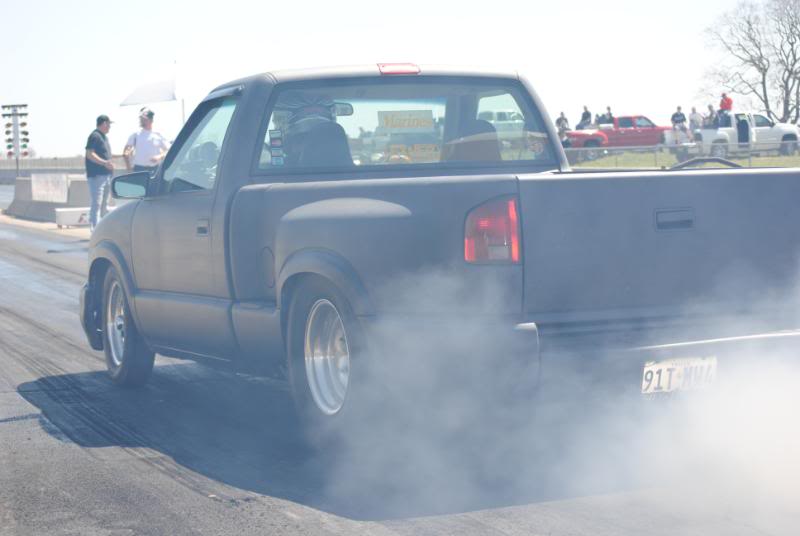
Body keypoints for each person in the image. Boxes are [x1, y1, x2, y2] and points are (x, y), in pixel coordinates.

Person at [85, 115, 114, 231]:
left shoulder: (104, 138)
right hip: (97, 176)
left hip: (106, 175)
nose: (110, 127)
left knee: (104, 204)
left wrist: (122, 156)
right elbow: (89, 154)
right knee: (96, 203)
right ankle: (95, 229)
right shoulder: (95, 136)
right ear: (104, 124)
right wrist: (104, 163)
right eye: (109, 124)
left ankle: (103, 229)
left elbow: (106, 155)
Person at [123, 107, 170, 173]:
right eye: (141, 119)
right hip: (139, 169)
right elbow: (126, 152)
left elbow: (168, 150)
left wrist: (159, 157)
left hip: (154, 169)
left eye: (144, 119)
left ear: (151, 120)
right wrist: (128, 166)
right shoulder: (135, 135)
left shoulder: (158, 135)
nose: (141, 121)